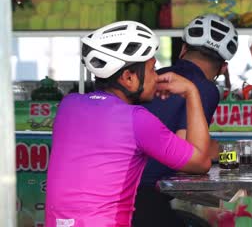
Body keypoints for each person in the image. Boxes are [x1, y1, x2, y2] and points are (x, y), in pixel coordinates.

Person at [45, 21, 212, 226]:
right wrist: (191, 92)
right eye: (152, 69)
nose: (157, 76)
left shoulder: (68, 107)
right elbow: (200, 163)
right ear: (128, 77)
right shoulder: (137, 119)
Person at [132, 14, 239, 227]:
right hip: (144, 196)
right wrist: (238, 153)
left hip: (125, 190)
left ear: (183, 49)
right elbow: (189, 152)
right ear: (223, 68)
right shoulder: (205, 88)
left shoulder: (159, 76)